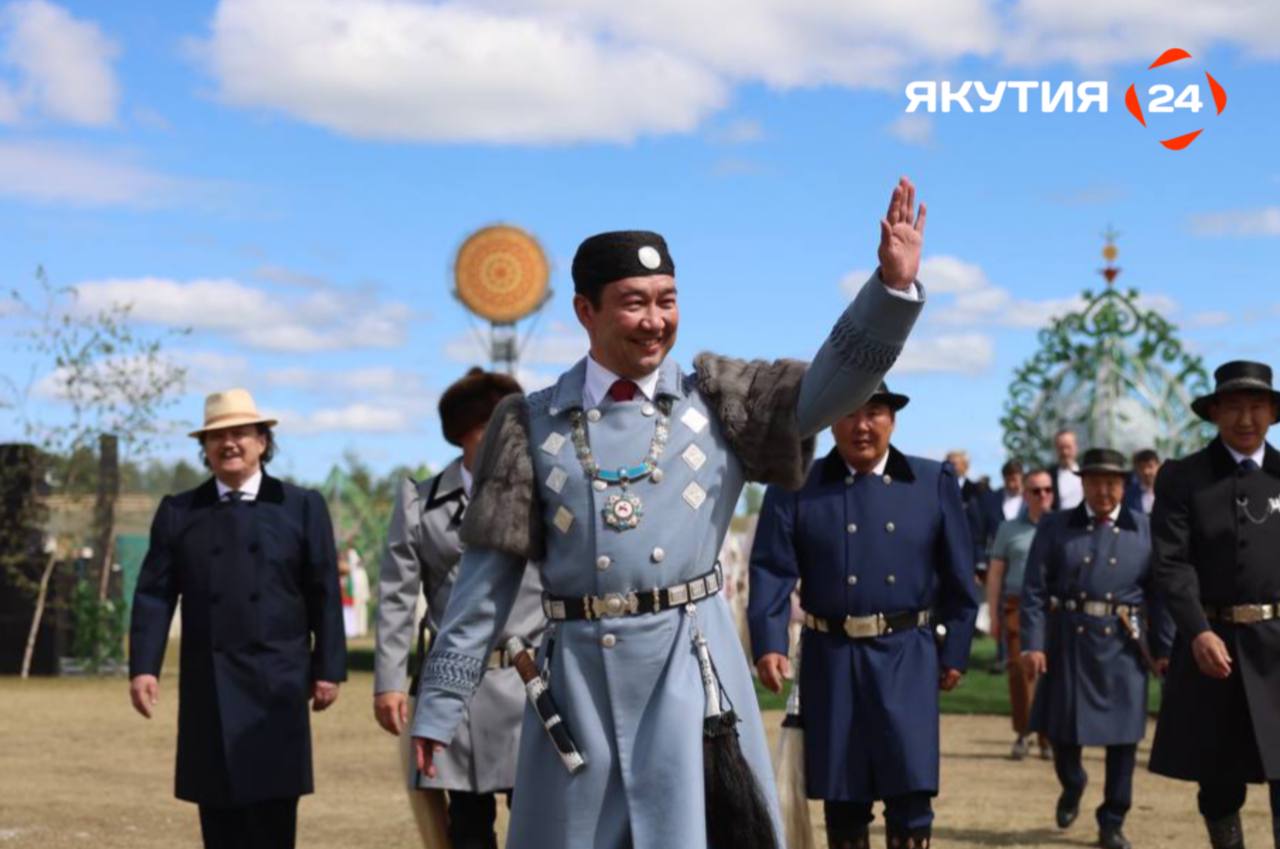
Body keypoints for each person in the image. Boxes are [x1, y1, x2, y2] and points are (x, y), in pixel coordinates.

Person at [410, 176, 929, 849]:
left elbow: (836, 382)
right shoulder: (527, 424)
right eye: (633, 303)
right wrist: (440, 704)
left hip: (694, 680)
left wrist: (888, 293)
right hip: (576, 691)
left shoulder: (724, 398)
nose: (655, 320)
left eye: (667, 301)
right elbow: (484, 583)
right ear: (584, 310)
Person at [748, 383, 978, 849]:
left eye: (874, 413)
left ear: (892, 420)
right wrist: (769, 641)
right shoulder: (796, 485)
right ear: (832, 421)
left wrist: (954, 648)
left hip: (907, 656)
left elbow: (959, 580)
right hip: (832, 660)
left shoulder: (932, 482)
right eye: (850, 413)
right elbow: (772, 568)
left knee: (911, 793)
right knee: (844, 798)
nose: (862, 426)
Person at [128, 388, 346, 849]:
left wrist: (327, 669)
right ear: (204, 448)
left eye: (240, 434)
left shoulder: (301, 506)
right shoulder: (179, 511)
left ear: (262, 441)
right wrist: (144, 667)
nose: (229, 444)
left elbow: (324, 590)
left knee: (273, 814)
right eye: (217, 436)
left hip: (279, 683)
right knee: (219, 815)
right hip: (210, 683)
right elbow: (154, 594)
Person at [374, 368, 544, 849]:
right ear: (468, 434)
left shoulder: (545, 496)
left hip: (533, 685)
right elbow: (397, 597)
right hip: (457, 693)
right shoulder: (421, 504)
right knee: (466, 829)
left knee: (544, 826)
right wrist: (388, 682)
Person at [1149, 361, 1280, 849]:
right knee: (1220, 779)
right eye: (1234, 407)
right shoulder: (1184, 478)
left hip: (1279, 650)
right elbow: (1171, 563)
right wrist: (1197, 630)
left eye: (1256, 407)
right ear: (1215, 413)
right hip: (1214, 648)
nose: (1245, 419)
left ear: (1271, 412)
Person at [1021, 448, 1173, 849]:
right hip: (1068, 642)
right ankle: (1073, 784)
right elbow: (1034, 592)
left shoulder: (1145, 529)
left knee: (1124, 741)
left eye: (1112, 482)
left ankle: (1112, 819)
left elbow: (1160, 596)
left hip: (1124, 646)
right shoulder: (1056, 526)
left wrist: (1164, 648)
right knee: (1062, 734)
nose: (1104, 490)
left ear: (1123, 485)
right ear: (1082, 484)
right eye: (1095, 481)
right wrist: (1033, 644)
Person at [986, 467, 1052, 761]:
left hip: (1054, 608)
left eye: (1047, 490)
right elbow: (996, 574)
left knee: (1052, 673)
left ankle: (1049, 737)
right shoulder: (1008, 529)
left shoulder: (1062, 526)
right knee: (1019, 670)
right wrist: (993, 615)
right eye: (1036, 491)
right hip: (1017, 605)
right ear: (1025, 495)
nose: (1043, 496)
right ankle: (1024, 733)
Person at [1048, 429, 1084, 511]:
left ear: (1076, 447)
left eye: (1068, 447)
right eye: (1061, 448)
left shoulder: (1087, 472)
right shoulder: (1049, 476)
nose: (1065, 452)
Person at [1123, 449, 1160, 516]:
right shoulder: (1127, 494)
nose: (1146, 472)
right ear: (1137, 469)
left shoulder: (1168, 493)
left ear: (1159, 466)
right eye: (1142, 467)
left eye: (1150, 466)